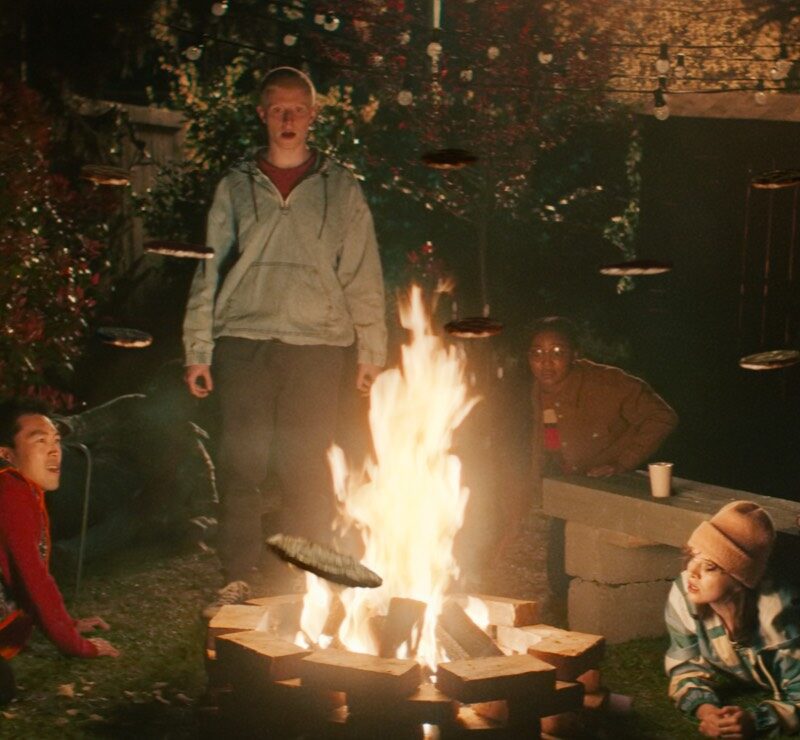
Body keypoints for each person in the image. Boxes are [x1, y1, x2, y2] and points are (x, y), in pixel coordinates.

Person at [182, 67, 387, 617]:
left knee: (306, 466)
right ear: (263, 115)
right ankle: (237, 575)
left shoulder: (340, 188)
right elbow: (206, 268)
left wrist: (371, 350)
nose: (289, 119)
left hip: (318, 344)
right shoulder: (236, 184)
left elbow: (363, 272)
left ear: (313, 116)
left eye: (299, 109)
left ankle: (307, 580)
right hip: (244, 338)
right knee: (242, 461)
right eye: (278, 109)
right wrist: (198, 349)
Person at [528, 316, 678, 596]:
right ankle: (562, 603)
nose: (546, 363)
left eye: (557, 352)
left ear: (575, 354)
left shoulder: (608, 384)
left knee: (594, 565)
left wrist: (621, 462)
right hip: (567, 481)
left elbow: (662, 416)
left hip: (606, 484)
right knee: (559, 568)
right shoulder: (536, 388)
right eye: (537, 353)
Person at [0, 399, 120, 706]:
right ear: (6, 454)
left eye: (55, 440)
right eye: (40, 441)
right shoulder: (9, 493)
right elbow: (34, 582)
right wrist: (76, 644)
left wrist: (68, 623)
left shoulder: (21, 490)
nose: (55, 451)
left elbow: (26, 580)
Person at [665, 500, 800, 738]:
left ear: (740, 580)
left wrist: (756, 721)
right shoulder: (684, 592)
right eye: (693, 556)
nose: (692, 572)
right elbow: (685, 666)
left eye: (709, 566)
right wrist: (707, 712)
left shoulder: (777, 613)